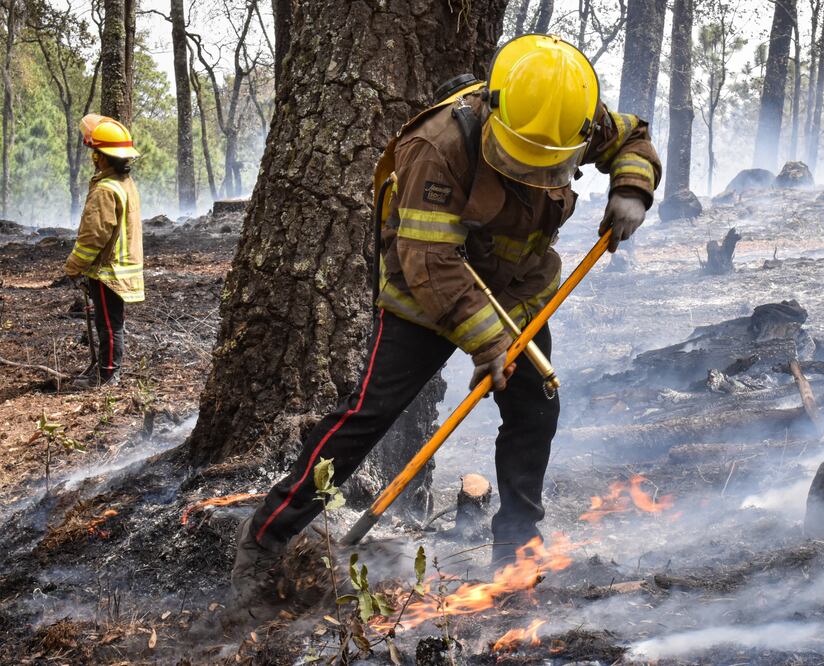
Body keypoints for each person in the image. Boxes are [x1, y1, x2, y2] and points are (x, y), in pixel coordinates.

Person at [231, 34, 661, 607]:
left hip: (519, 289)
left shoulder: (569, 118)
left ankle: (517, 547)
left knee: (536, 410)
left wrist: (633, 185)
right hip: (426, 296)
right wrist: (489, 341)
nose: (535, 170)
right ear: (496, 111)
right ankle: (264, 538)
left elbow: (633, 136)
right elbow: (431, 262)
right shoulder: (435, 149)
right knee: (367, 415)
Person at [63, 114, 144, 389]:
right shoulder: (124, 184)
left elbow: (93, 236)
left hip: (109, 270)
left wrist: (74, 266)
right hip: (118, 267)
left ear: (102, 157)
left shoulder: (105, 190)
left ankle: (108, 375)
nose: (92, 157)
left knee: (108, 325)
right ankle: (105, 369)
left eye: (95, 152)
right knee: (110, 322)